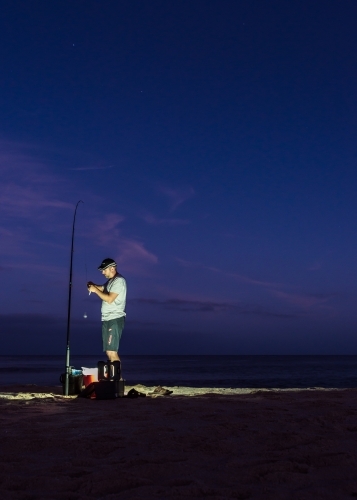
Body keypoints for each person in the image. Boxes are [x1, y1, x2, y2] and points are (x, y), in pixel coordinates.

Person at [87, 258, 127, 363]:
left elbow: (109, 299)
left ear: (112, 268)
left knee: (112, 352)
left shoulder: (119, 281)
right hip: (107, 319)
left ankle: (119, 379)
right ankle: (115, 378)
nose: (103, 272)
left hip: (114, 318)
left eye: (104, 270)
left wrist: (95, 290)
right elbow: (102, 288)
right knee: (109, 352)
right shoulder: (111, 281)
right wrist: (93, 286)